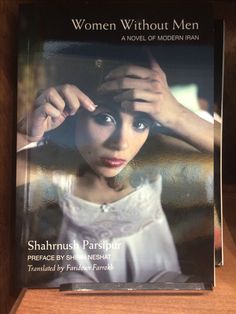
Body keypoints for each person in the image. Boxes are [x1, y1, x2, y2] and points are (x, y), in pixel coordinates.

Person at [16, 50, 214, 287]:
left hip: (164, 286)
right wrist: (22, 134)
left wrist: (178, 115)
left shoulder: (157, 153)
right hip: (79, 297)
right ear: (73, 114)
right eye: (105, 118)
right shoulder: (51, 167)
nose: (121, 143)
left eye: (140, 123)